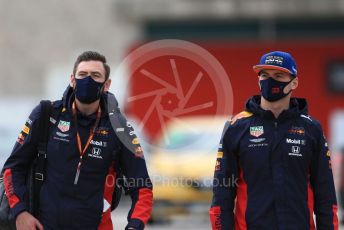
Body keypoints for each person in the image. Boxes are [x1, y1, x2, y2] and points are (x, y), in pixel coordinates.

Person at [2, 51, 153, 230]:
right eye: (82, 75)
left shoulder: (119, 127)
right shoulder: (46, 114)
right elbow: (13, 169)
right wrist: (20, 212)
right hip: (44, 224)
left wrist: (135, 225)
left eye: (96, 75)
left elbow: (142, 185)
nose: (88, 80)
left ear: (107, 84)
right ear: (72, 80)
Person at [209, 51, 338, 229]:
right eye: (264, 75)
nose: (270, 81)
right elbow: (221, 195)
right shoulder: (237, 128)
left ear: (294, 82)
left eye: (278, 75)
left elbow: (326, 196)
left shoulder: (312, 129)